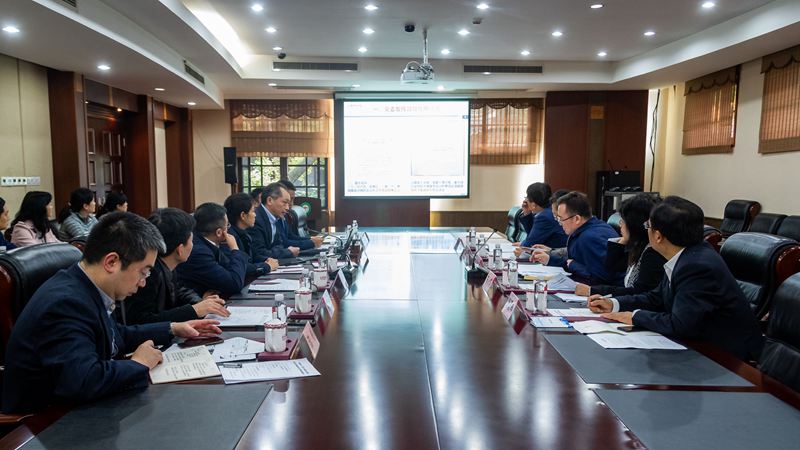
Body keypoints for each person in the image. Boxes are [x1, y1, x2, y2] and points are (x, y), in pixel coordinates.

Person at [2, 212, 222, 413]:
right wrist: (138, 364)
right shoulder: (65, 303)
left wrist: (172, 328)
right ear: (112, 262)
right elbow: (83, 381)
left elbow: (116, 335)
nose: (143, 283)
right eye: (143, 272)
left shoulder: (85, 286)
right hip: (46, 422)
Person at [588, 196, 765, 361]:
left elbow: (680, 325)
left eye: (648, 225)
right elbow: (656, 297)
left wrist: (635, 316)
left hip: (726, 358)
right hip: (700, 346)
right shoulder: (686, 255)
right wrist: (614, 304)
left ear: (658, 236)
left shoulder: (696, 266)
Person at [118, 208, 230, 325]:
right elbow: (141, 321)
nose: (193, 245)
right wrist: (194, 310)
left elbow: (179, 290)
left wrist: (199, 303)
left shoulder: (168, 264)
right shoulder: (149, 274)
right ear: (180, 249)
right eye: (192, 241)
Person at [575, 194, 666, 297]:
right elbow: (612, 267)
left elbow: (638, 293)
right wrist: (623, 240)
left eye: (623, 220)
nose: (620, 224)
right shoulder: (637, 247)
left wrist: (593, 291)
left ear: (635, 224)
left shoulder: (652, 254)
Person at [534, 191, 623, 286]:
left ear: (577, 219)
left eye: (561, 219)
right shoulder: (590, 228)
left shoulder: (590, 237)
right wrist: (549, 260)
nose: (560, 224)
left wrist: (573, 265)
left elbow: (601, 278)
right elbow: (577, 263)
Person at [176, 202, 249, 297]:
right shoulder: (199, 252)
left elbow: (230, 269)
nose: (228, 229)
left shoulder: (206, 242)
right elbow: (234, 283)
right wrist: (235, 249)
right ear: (219, 232)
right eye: (227, 226)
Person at [224, 193, 279, 277]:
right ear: (243, 215)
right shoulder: (229, 237)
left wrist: (267, 260)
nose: (255, 215)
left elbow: (252, 258)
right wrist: (267, 266)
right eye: (253, 211)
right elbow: (242, 267)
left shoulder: (244, 233)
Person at [249, 182, 300, 261]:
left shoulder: (274, 218)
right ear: (269, 200)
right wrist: (287, 252)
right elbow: (259, 254)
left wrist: (278, 251)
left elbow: (279, 245)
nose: (287, 208)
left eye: (288, 203)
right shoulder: (256, 220)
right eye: (284, 202)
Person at [514, 182, 568, 255]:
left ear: (533, 204)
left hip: (558, 255)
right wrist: (527, 213)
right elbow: (532, 236)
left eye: (527, 198)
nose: (526, 200)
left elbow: (529, 244)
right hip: (555, 253)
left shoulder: (544, 216)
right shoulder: (546, 212)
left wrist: (523, 244)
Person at [277, 180, 324, 250]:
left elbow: (291, 236)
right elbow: (284, 243)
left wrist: (311, 239)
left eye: (293, 199)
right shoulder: (274, 218)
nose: (291, 204)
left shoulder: (285, 215)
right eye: (288, 200)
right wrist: (311, 243)